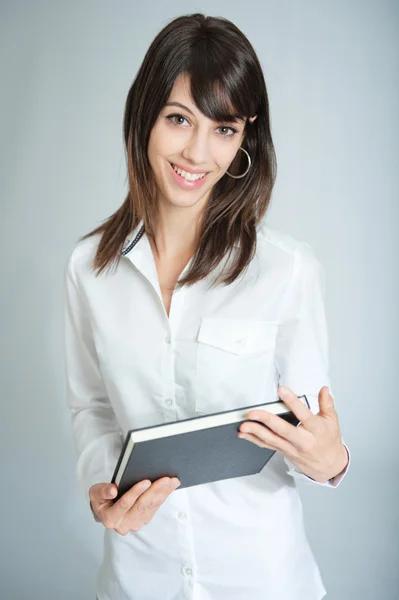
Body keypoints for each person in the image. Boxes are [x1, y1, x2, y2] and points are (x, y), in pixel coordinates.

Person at [63, 12, 350, 600]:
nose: (198, 152)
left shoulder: (287, 270)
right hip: (138, 578)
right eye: (178, 119)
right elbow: (91, 405)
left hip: (263, 580)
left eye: (224, 129)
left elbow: (310, 432)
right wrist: (101, 488)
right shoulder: (88, 267)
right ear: (145, 117)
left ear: (246, 139)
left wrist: (331, 461)